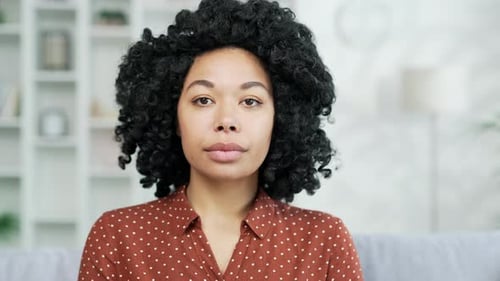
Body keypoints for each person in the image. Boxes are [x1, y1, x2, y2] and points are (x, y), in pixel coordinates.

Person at [78, 0, 364, 280]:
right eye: (203, 100)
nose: (226, 120)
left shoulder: (325, 241)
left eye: (250, 101)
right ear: (173, 117)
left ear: (280, 118)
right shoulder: (117, 236)